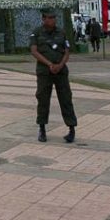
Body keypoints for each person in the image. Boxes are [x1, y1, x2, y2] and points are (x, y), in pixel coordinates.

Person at [29, 10, 77, 144]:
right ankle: (42, 129)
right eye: (50, 18)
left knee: (66, 98)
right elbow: (34, 51)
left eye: (54, 17)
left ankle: (71, 128)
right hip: (45, 71)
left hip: (60, 72)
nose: (53, 20)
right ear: (43, 19)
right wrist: (50, 64)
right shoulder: (37, 32)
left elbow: (67, 51)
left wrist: (60, 65)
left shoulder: (61, 32)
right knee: (43, 99)